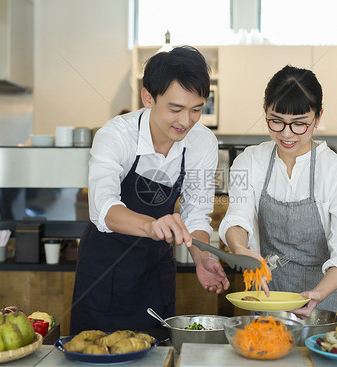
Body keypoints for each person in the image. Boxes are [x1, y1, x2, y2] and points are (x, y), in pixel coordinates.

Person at [70, 46, 230, 334]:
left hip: (155, 271)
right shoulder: (116, 135)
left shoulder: (203, 142)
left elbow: (196, 215)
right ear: (148, 98)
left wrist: (203, 258)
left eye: (197, 109)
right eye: (175, 108)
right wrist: (153, 224)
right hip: (104, 272)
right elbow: (103, 208)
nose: (186, 121)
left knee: (157, 355)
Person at [219, 65, 337, 325]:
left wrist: (317, 294)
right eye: (276, 121)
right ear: (265, 111)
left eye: (299, 124)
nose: (286, 134)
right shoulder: (248, 162)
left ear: (318, 117)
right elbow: (236, 219)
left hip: (324, 305)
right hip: (268, 298)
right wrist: (240, 248)